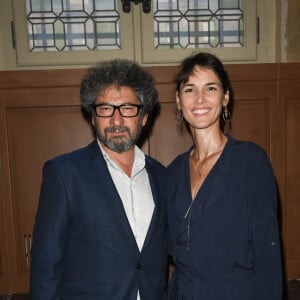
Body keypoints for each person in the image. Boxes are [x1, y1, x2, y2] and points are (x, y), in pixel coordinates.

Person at [30, 59, 168, 300]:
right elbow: (46, 267)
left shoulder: (162, 176)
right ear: (93, 117)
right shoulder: (64, 173)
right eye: (105, 108)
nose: (116, 120)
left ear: (144, 117)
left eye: (127, 108)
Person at [166, 52, 283, 299]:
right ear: (178, 100)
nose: (199, 99)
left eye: (210, 88)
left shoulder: (250, 161)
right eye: (189, 89)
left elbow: (267, 254)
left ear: (225, 97)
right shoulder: (174, 171)